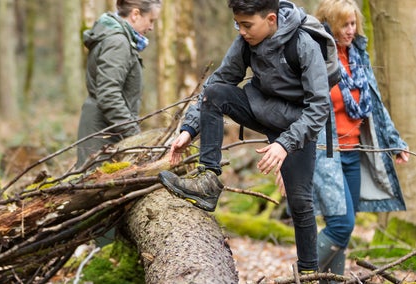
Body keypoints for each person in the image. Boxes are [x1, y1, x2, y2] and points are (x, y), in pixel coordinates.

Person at [159, 0, 330, 275]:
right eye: (237, 24)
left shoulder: (304, 45)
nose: (241, 31)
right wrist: (189, 129)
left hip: (297, 124)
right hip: (259, 108)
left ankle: (309, 274)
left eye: (247, 25)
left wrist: (285, 144)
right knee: (215, 93)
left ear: (271, 19)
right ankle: (208, 179)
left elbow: (320, 107)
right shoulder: (244, 42)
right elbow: (217, 82)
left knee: (300, 202)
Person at [312, 0, 409, 280]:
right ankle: (301, 272)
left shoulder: (358, 56)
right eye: (345, 24)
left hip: (354, 153)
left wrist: (394, 142)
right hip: (325, 153)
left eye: (353, 23)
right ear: (329, 24)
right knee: (342, 225)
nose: (351, 30)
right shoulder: (316, 56)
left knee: (340, 225)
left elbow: (375, 105)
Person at [76, 0, 161, 169]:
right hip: (103, 135)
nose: (151, 27)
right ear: (135, 14)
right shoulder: (118, 43)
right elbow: (109, 95)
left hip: (107, 131)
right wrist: (136, 137)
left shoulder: (119, 39)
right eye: (151, 20)